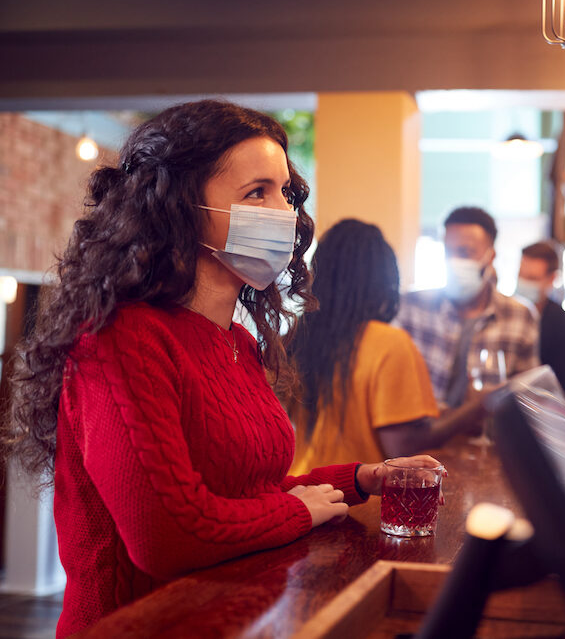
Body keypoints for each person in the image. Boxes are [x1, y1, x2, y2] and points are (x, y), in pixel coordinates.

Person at [3, 100, 440, 637]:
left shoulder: (235, 340)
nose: (284, 210)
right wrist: (298, 512)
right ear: (179, 209)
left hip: (228, 617)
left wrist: (356, 480)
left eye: (286, 192)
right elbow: (165, 536)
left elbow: (246, 497)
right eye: (257, 192)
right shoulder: (119, 339)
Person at [288, 219, 491, 470]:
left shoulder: (298, 336)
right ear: (384, 278)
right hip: (361, 503)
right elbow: (403, 447)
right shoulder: (388, 343)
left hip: (306, 491)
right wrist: (477, 408)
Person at [396, 206, 539, 410]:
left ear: (490, 257)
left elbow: (527, 400)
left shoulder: (520, 316)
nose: (455, 261)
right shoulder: (411, 307)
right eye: (448, 252)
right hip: (422, 438)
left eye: (465, 252)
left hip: (485, 439)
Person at [516, 241, 565, 400]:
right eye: (521, 275)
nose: (524, 282)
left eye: (532, 278)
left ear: (551, 279)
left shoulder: (561, 322)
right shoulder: (503, 312)